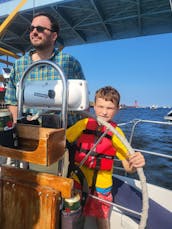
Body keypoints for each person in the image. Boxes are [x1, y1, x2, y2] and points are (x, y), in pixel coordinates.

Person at [4, 11, 85, 170]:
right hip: (29, 137)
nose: (34, 32)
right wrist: (19, 129)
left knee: (63, 180)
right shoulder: (19, 65)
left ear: (54, 36)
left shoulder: (70, 62)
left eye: (40, 29)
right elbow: (12, 100)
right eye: (31, 28)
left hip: (64, 138)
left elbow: (80, 103)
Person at [66, 86, 145, 229]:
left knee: (102, 219)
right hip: (78, 181)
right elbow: (62, 140)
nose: (104, 112)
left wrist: (136, 162)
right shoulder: (83, 124)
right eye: (100, 106)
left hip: (102, 187)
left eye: (109, 108)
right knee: (77, 216)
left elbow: (129, 167)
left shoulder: (117, 133)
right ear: (93, 106)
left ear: (117, 109)